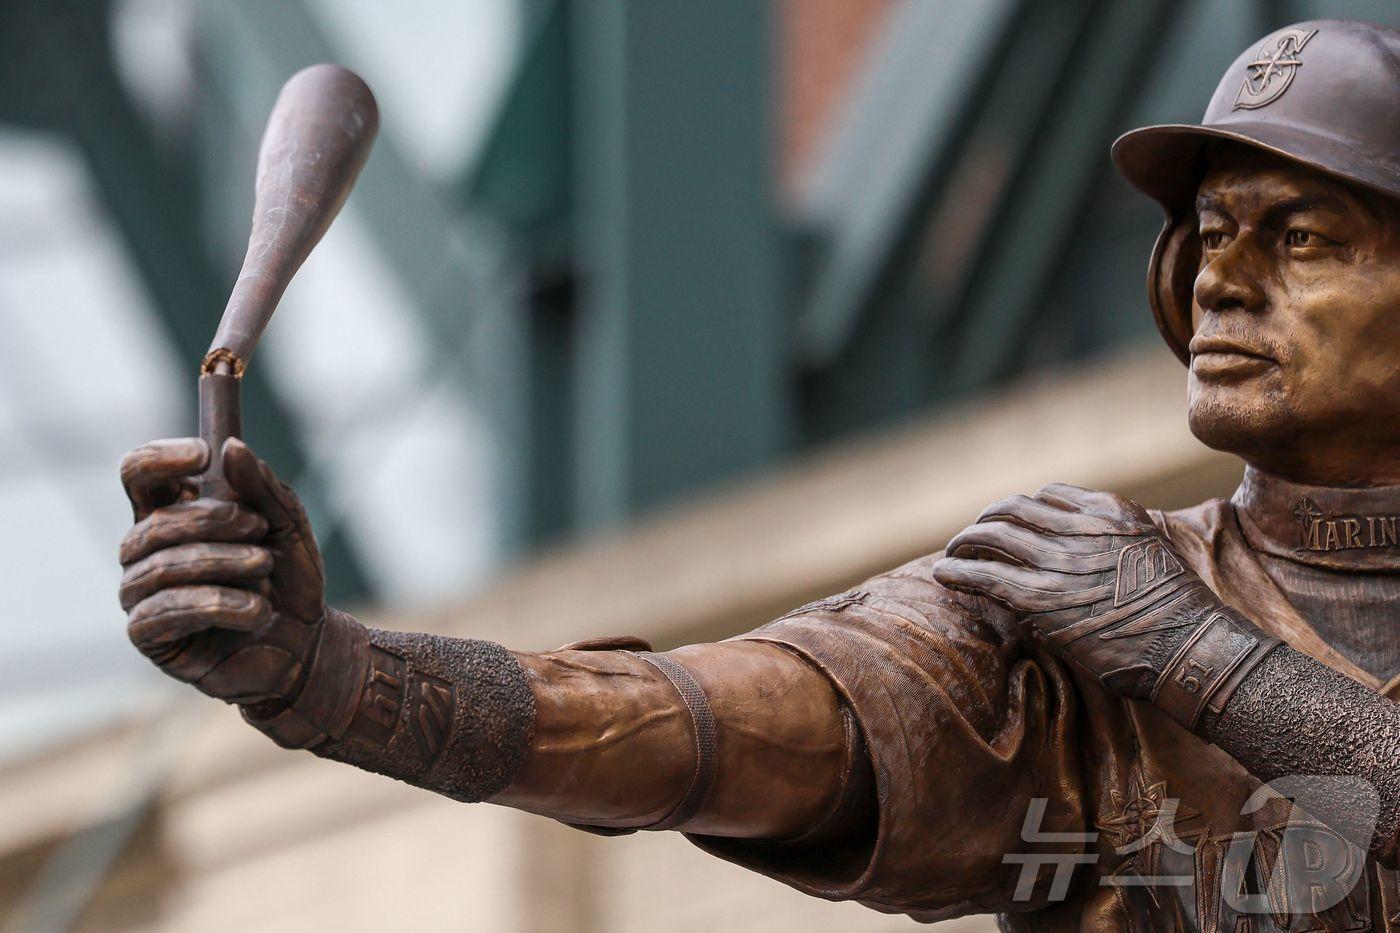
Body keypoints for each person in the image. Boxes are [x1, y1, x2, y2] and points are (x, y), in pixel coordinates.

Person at [117, 20, 1400, 930]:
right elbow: (707, 725)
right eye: (1211, 235)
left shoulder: (1134, 616)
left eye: (1300, 238)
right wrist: (331, 676)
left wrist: (1192, 653)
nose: (1225, 280)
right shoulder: (1081, 597)